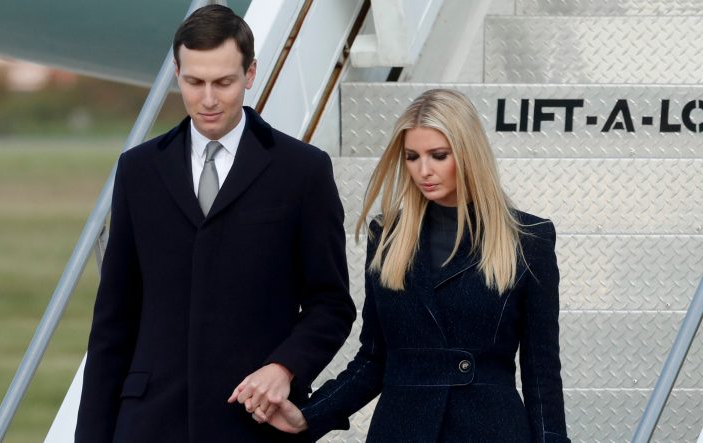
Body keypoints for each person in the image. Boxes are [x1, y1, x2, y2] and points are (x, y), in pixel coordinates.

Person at [75, 5, 356, 442]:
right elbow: (114, 320)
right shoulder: (138, 171)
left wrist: (285, 368)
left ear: (251, 73)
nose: (208, 99)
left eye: (223, 82)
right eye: (194, 81)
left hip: (250, 426)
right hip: (148, 425)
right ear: (176, 72)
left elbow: (332, 304)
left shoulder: (302, 171)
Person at [251, 89, 570, 442]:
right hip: (401, 429)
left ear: (469, 154)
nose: (424, 170)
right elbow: (375, 359)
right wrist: (309, 416)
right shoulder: (387, 236)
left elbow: (541, 375)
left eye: (438, 155)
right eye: (412, 157)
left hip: (490, 429)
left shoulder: (528, 238)